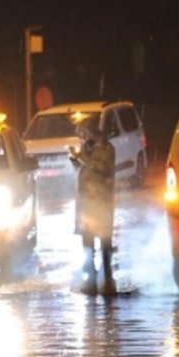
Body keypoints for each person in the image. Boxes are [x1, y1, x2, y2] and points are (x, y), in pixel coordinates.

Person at [68, 121, 117, 295]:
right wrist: (75, 161)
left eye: (83, 133)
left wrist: (82, 158)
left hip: (101, 202)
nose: (81, 137)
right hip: (85, 203)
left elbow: (104, 169)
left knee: (104, 243)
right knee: (87, 243)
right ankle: (90, 280)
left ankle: (108, 280)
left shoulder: (107, 149)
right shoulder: (85, 149)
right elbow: (82, 171)